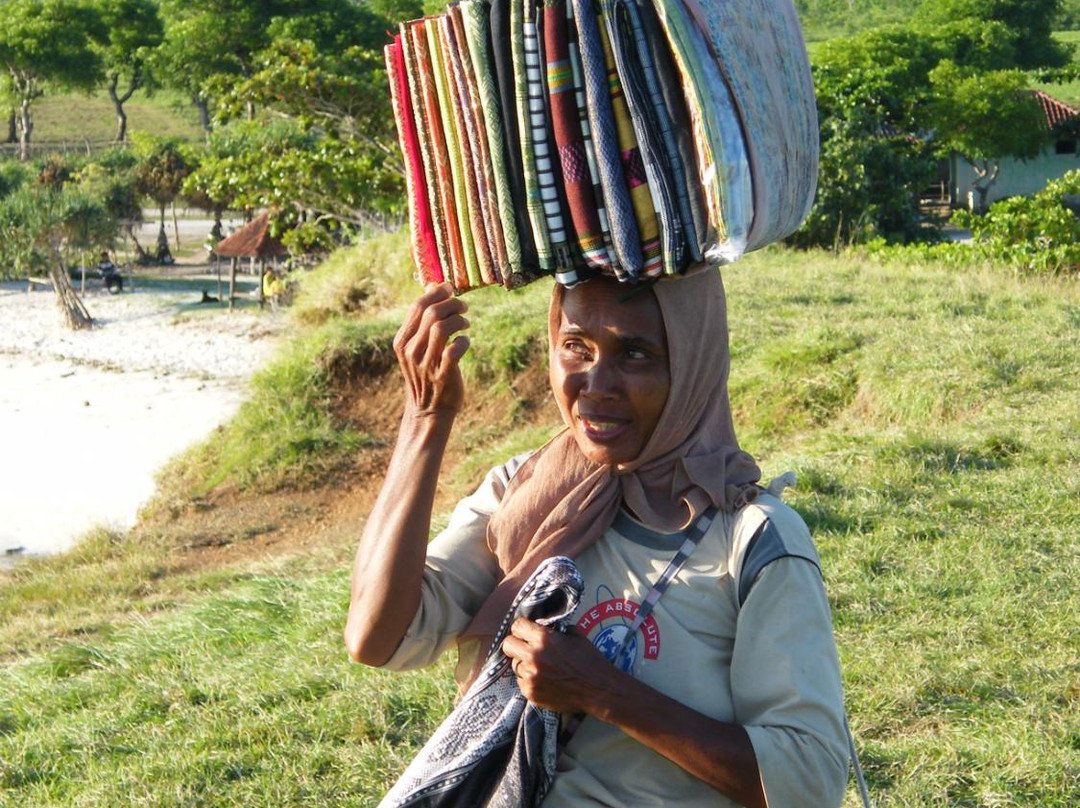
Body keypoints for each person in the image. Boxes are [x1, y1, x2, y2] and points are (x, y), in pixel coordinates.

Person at [345, 269, 850, 808]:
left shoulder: (752, 540)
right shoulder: (528, 496)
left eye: (635, 354)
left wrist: (604, 692)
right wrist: (425, 419)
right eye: (575, 346)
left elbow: (810, 781)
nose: (596, 384)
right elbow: (377, 638)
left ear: (693, 363)